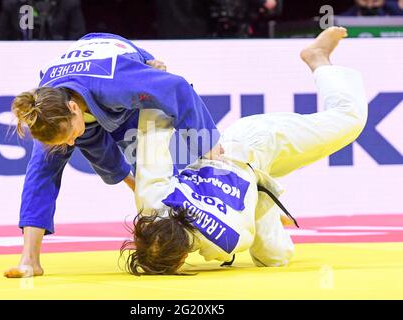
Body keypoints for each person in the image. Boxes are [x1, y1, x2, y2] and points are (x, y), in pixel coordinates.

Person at [122, 27, 369, 275]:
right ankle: (270, 205)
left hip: (257, 145)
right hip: (245, 170)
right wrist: (153, 90)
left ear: (183, 258)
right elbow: (150, 144)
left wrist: (156, 88)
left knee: (350, 119)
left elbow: (151, 147)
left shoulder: (230, 241)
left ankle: (318, 57)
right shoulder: (154, 203)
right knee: (276, 258)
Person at [4, 32, 222, 278]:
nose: (71, 144)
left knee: (151, 167)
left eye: (70, 135)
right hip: (80, 91)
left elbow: (177, 88)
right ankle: (29, 260)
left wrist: (208, 144)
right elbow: (96, 150)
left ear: (73, 109)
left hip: (121, 73)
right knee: (41, 168)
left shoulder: (117, 84)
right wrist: (129, 181)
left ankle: (169, 245)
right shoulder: (46, 109)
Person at [0, 0, 86, 40]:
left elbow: (78, 37)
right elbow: (0, 38)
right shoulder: (11, 4)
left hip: (59, 56)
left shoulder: (70, 4)